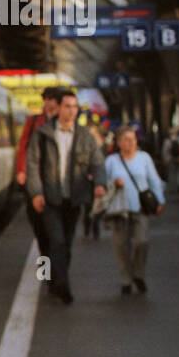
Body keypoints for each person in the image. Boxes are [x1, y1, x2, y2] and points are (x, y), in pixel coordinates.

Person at [26, 90, 107, 304]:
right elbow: (31, 164)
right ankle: (60, 284)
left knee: (65, 243)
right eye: (67, 106)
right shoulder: (40, 132)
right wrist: (36, 192)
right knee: (54, 241)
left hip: (73, 198)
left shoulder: (85, 136)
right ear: (58, 107)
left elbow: (97, 162)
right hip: (49, 198)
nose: (71, 111)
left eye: (74, 107)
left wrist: (100, 183)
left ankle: (53, 280)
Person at [103, 126, 165, 295]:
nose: (131, 143)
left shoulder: (144, 158)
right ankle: (126, 280)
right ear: (119, 142)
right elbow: (102, 183)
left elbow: (154, 180)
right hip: (119, 209)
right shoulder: (111, 161)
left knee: (141, 242)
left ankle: (138, 274)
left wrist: (160, 200)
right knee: (121, 246)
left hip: (140, 207)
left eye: (133, 139)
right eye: (127, 139)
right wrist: (114, 183)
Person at [15, 87, 60, 255]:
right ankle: (45, 267)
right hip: (35, 180)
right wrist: (21, 170)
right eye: (47, 98)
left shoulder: (63, 122)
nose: (49, 102)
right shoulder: (33, 121)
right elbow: (23, 146)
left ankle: (54, 268)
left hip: (56, 180)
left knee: (55, 230)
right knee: (39, 226)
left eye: (53, 98)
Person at [81, 121, 106, 239]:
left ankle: (96, 230)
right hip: (86, 181)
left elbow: (102, 162)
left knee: (97, 205)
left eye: (93, 132)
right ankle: (87, 228)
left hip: (97, 180)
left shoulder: (101, 144)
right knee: (88, 206)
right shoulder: (82, 145)